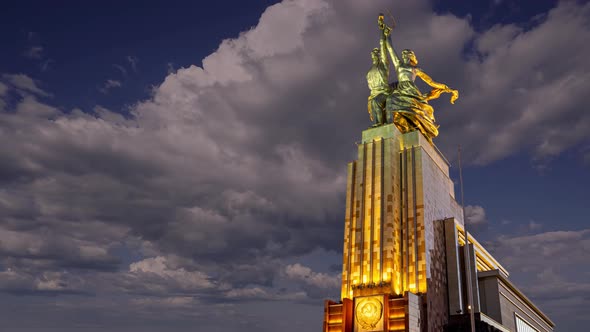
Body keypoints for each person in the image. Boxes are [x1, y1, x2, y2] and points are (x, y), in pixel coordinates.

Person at [381, 23, 458, 142]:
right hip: (401, 89)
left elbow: (431, 82)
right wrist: (387, 35)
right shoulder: (399, 65)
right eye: (403, 54)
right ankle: (389, 127)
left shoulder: (416, 69)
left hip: (411, 91)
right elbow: (390, 49)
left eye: (407, 53)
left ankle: (417, 126)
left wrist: (447, 88)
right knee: (390, 100)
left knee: (415, 111)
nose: (404, 55)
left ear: (412, 56)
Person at [366, 17, 393, 127]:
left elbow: (382, 45)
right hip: (373, 95)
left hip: (384, 93)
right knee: (374, 101)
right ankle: (378, 124)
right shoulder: (370, 71)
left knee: (376, 102)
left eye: (377, 52)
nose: (375, 53)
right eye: (373, 53)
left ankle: (379, 124)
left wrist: (381, 29)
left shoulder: (383, 65)